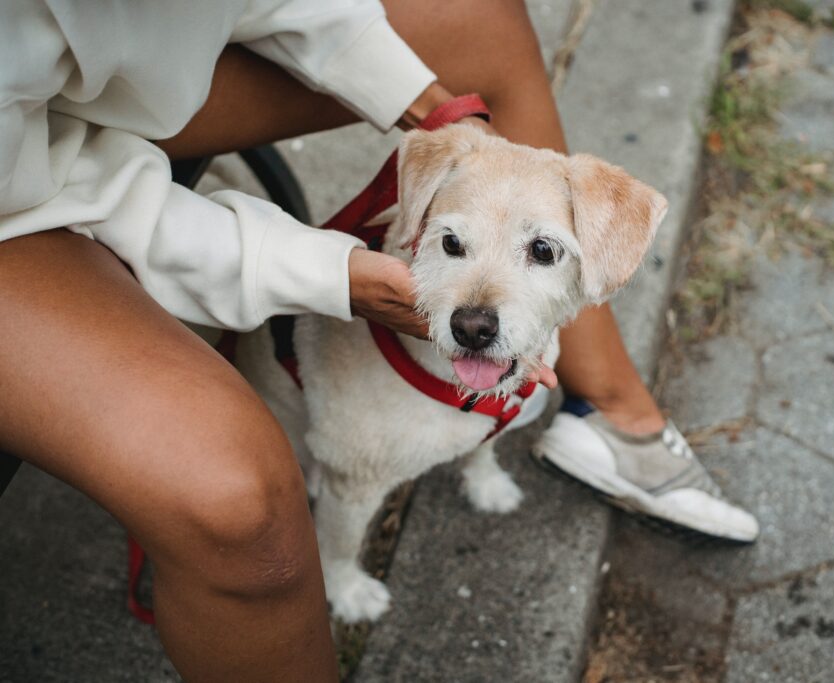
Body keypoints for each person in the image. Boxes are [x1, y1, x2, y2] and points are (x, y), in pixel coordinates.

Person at [0, 1, 757, 679]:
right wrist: (330, 273)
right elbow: (60, 184)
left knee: (486, 18)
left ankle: (605, 409)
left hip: (133, 70)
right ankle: (333, 570)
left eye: (543, 251)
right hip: (25, 183)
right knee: (241, 505)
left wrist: (433, 109)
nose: (478, 311)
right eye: (451, 242)